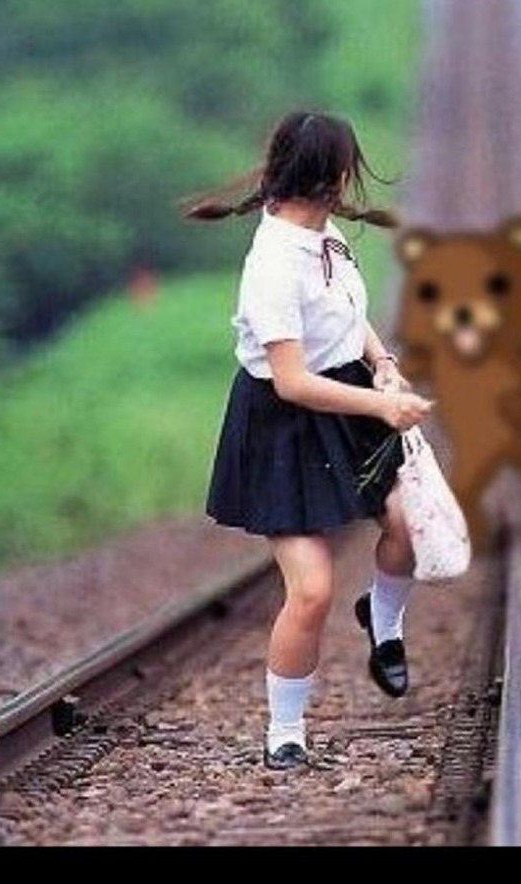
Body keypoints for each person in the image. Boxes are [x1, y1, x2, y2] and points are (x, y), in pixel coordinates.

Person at [184, 110, 434, 771]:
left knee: (410, 524)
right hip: (284, 424)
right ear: (331, 174)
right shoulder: (271, 265)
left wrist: (382, 360)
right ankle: (285, 731)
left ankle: (383, 622)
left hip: (348, 398)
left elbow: (350, 318)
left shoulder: (328, 240)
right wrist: (385, 402)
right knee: (312, 589)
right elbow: (291, 382)